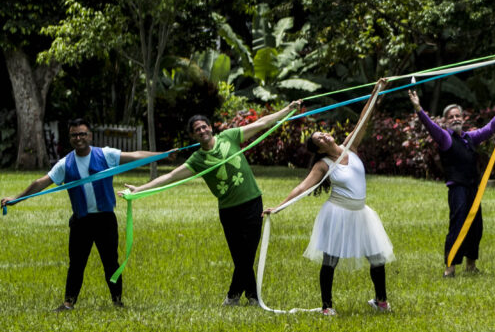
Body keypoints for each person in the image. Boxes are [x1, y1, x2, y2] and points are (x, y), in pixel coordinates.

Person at [122, 101, 301, 305]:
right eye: (197, 129)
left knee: (247, 254)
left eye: (204, 126)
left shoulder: (229, 137)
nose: (202, 130)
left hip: (252, 203)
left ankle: (233, 297)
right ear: (194, 135)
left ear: (210, 128)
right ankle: (252, 297)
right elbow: (170, 176)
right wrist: (140, 189)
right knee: (240, 257)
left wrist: (288, 109)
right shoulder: (197, 159)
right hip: (228, 211)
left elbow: (261, 123)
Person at [2, 119, 159, 311]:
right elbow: (40, 183)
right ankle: (68, 303)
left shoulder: (105, 154)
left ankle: (117, 301)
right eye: (74, 135)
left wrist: (162, 155)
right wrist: (16, 199)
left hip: (105, 220)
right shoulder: (64, 164)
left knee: (111, 262)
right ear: (70, 138)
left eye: (82, 134)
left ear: (90, 136)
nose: (79, 138)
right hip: (81, 221)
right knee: (76, 264)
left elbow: (135, 155)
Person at [264, 99, 394, 315]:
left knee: (377, 258)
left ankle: (381, 302)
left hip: (361, 213)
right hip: (337, 213)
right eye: (319, 139)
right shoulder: (323, 164)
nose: (324, 135)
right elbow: (302, 187)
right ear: (319, 149)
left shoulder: (350, 147)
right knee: (330, 260)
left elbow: (363, 119)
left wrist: (375, 93)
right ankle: (327, 307)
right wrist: (278, 207)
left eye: (322, 133)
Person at [409, 91, 495, 277]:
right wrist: (418, 108)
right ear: (445, 121)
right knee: (458, 226)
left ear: (463, 118)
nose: (455, 119)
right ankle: (450, 268)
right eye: (450, 117)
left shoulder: (471, 137)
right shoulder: (446, 138)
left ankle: (471, 265)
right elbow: (431, 127)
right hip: (457, 189)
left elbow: (490, 128)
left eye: (457, 115)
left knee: (476, 227)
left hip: (472, 189)